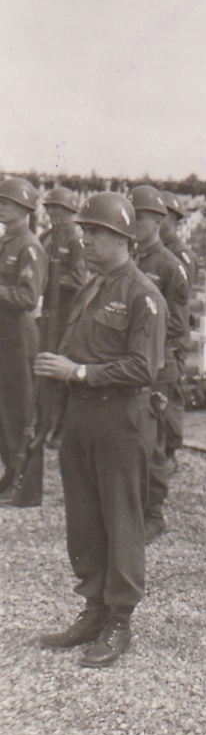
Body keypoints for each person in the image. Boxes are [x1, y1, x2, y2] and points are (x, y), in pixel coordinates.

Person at [35, 192, 166, 667]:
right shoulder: (94, 287)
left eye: (97, 233)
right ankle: (93, 607)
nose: (85, 240)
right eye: (85, 232)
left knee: (120, 517)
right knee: (85, 516)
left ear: (123, 238)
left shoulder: (142, 295)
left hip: (121, 417)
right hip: (83, 415)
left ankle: (120, 619)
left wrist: (79, 373)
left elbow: (143, 367)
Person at [128, 184, 190, 543]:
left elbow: (178, 325)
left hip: (156, 365)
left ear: (158, 221)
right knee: (133, 438)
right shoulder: (134, 260)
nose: (134, 223)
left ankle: (154, 513)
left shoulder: (170, 267)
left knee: (152, 442)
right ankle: (135, 506)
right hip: (135, 362)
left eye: (141, 218)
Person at [0, 177, 46, 503]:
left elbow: (28, 297)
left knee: (17, 406)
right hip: (4, 332)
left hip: (17, 333)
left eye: (7, 202)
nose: (1, 206)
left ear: (24, 208)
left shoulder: (28, 246)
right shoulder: (7, 241)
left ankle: (20, 480)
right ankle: (8, 471)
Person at [159, 191, 197, 465]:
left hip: (173, 335)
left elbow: (180, 301)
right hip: (160, 335)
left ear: (172, 218)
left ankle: (170, 452)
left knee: (170, 394)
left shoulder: (180, 255)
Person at [40, 187, 89, 343]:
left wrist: (49, 281)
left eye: (56, 207)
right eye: (49, 207)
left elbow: (78, 279)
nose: (51, 211)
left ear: (69, 210)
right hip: (46, 300)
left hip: (66, 304)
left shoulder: (75, 240)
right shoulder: (45, 236)